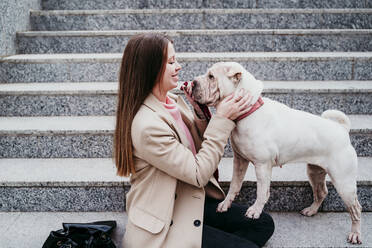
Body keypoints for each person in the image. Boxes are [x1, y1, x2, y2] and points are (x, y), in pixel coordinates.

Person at [114, 33, 275, 248]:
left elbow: (200, 152)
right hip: (165, 220)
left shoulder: (172, 101)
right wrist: (222, 118)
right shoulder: (147, 125)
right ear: (151, 69)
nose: (179, 66)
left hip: (186, 200)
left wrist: (201, 115)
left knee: (263, 224)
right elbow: (199, 174)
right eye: (171, 62)